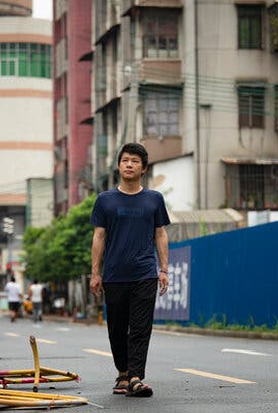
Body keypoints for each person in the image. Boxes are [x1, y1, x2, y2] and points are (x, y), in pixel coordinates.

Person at [90, 142, 170, 398]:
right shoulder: (105, 200)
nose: (129, 164)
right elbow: (99, 237)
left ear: (143, 168)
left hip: (145, 273)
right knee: (117, 327)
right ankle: (123, 372)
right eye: (125, 160)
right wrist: (95, 272)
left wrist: (164, 269)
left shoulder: (154, 199)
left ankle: (135, 376)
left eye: (135, 161)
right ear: (118, 165)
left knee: (140, 327)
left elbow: (160, 234)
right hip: (114, 275)